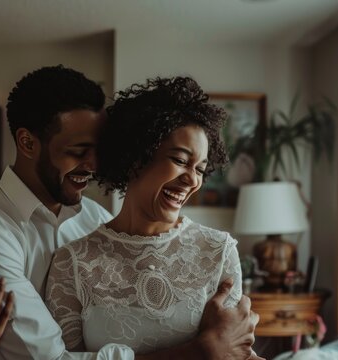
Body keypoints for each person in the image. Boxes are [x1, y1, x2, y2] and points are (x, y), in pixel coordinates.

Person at [0, 65, 261, 360]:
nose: (94, 165)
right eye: (78, 151)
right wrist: (201, 352)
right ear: (27, 143)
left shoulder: (93, 217)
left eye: (98, 150)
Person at [44, 76, 255, 355]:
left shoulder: (218, 251)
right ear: (135, 158)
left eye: (200, 169)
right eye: (180, 161)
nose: (192, 180)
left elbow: (235, 354)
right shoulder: (73, 261)